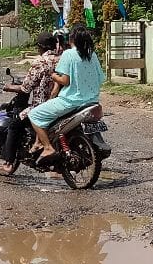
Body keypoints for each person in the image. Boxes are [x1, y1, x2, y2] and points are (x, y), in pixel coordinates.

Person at [28, 28, 104, 163]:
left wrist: (53, 76)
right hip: (92, 101)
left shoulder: (69, 54)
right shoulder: (92, 55)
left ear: (71, 40)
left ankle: (47, 147)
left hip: (71, 101)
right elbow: (100, 78)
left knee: (34, 115)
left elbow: (65, 80)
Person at [0, 33, 62, 171]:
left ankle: (7, 162)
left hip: (41, 106)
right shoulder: (62, 60)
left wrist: (9, 87)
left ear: (40, 47)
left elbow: (25, 88)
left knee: (14, 125)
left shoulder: (40, 62)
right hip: (59, 105)